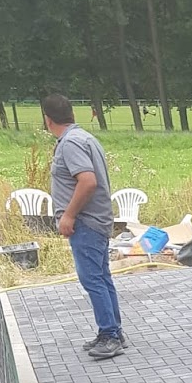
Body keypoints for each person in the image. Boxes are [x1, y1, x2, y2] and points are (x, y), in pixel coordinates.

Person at [41, 94, 125, 360]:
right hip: (96, 220)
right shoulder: (85, 137)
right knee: (101, 277)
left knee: (92, 279)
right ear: (72, 114)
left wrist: (68, 215)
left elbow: (87, 181)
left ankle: (110, 336)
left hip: (86, 222)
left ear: (47, 119)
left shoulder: (70, 143)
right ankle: (113, 331)